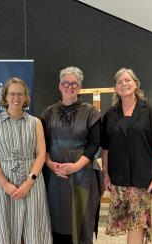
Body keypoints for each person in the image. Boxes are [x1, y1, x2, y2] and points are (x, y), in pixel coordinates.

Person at [101, 67, 152, 244]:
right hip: (118, 180)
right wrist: (106, 174)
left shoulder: (151, 113)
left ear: (136, 84)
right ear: (115, 88)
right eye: (119, 82)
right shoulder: (110, 115)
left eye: (128, 80)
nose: (124, 84)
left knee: (137, 225)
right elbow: (106, 148)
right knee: (127, 224)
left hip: (142, 181)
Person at [0, 77, 52, 244]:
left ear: (26, 97)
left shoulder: (35, 122)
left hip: (32, 182)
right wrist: (5, 184)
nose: (16, 98)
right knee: (4, 229)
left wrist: (29, 182)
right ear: (5, 96)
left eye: (20, 94)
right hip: (3, 183)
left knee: (34, 229)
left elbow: (41, 154)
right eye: (12, 94)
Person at [41, 66, 103, 244]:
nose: (70, 87)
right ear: (59, 86)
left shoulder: (91, 112)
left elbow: (94, 144)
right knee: (55, 216)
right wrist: (50, 164)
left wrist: (75, 166)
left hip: (82, 172)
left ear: (80, 87)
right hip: (54, 173)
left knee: (80, 218)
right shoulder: (48, 113)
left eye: (74, 83)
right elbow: (41, 143)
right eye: (65, 83)